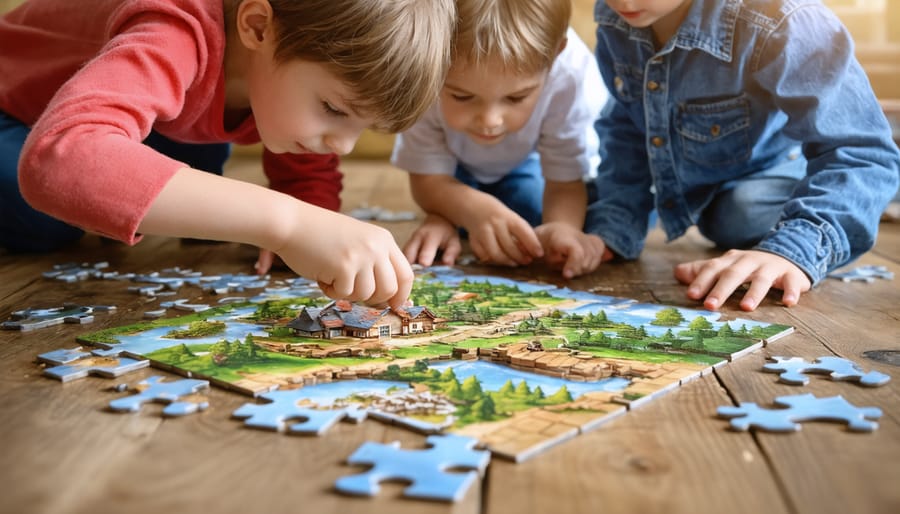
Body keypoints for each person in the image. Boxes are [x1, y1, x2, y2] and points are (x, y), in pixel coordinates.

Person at [0, 0, 457, 310]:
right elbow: (61, 161)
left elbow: (305, 171)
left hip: (134, 119)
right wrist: (290, 224)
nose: (344, 144)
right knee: (44, 218)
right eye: (334, 109)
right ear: (257, 26)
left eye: (363, 126)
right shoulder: (175, 27)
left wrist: (315, 225)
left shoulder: (276, 63)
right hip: (13, 112)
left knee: (210, 175)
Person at [586, 0, 900, 311]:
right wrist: (613, 230)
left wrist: (791, 250)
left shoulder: (786, 18)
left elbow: (862, 152)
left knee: (739, 214)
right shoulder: (615, 20)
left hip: (784, 167)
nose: (623, 1)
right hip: (715, 182)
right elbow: (627, 127)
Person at [392, 0, 610, 279]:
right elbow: (427, 180)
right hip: (453, 166)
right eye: (462, 96)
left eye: (516, 97)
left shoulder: (572, 76)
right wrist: (463, 211)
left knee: (532, 210)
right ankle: (450, 216)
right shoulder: (423, 61)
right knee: (496, 215)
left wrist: (562, 227)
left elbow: (565, 180)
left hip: (528, 161)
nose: (490, 120)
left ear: (555, 55)